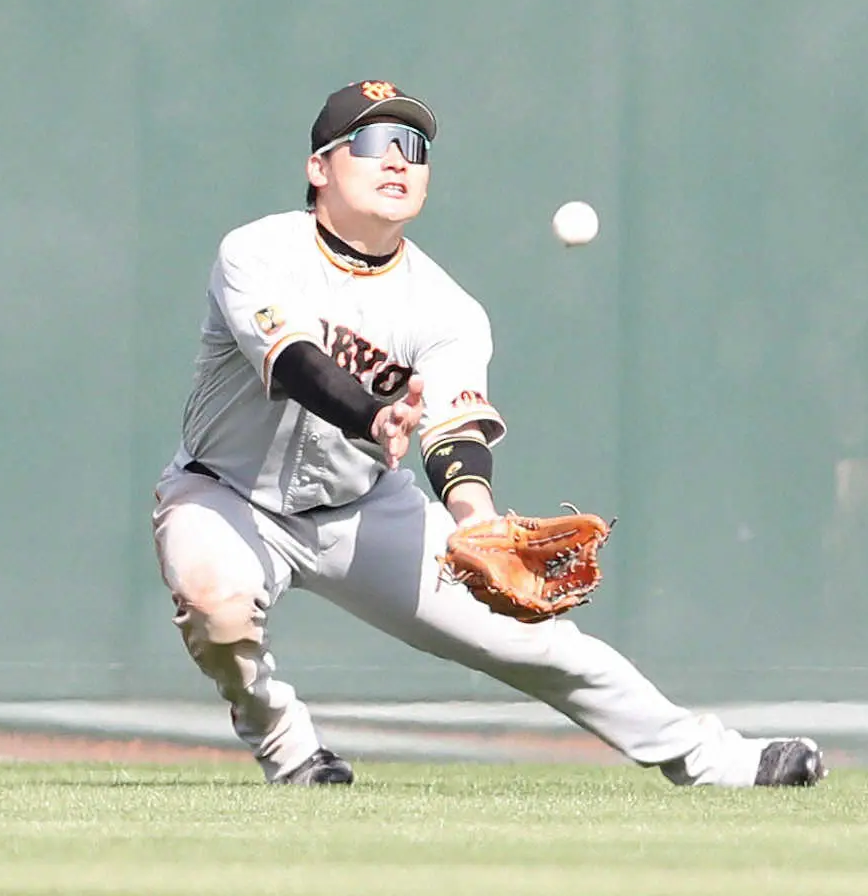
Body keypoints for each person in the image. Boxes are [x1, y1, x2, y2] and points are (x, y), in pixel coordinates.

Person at [151, 79, 827, 788]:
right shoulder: (257, 251)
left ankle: (717, 760)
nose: (398, 162)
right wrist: (373, 416)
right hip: (223, 495)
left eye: (414, 148)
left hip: (363, 510)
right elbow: (294, 362)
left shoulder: (446, 307)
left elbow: (454, 429)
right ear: (319, 167)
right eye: (373, 142)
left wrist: (475, 522)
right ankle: (289, 748)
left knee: (539, 646)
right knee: (219, 611)